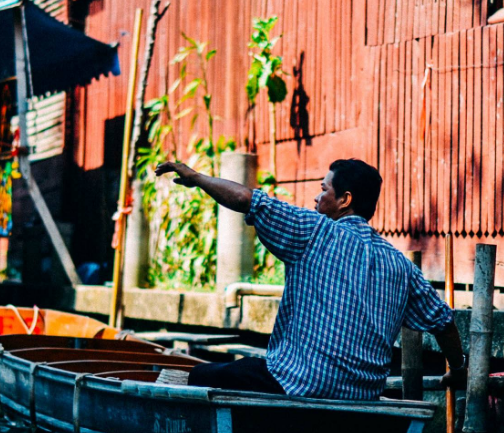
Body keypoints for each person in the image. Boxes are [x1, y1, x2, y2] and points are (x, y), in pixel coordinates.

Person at [155, 158, 466, 400]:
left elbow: (246, 199)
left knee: (198, 376)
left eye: (323, 190)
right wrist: (457, 369)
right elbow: (443, 321)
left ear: (345, 199)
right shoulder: (401, 265)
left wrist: (195, 177)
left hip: (300, 382)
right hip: (362, 395)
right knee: (239, 370)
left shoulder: (314, 231)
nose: (317, 198)